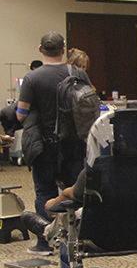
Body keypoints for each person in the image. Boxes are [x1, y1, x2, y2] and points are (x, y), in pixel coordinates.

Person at [15, 31, 91, 254]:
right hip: (74, 144)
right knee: (74, 191)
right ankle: (75, 241)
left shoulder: (32, 78)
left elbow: (20, 114)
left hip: (44, 145)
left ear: (41, 50)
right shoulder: (78, 73)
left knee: (44, 192)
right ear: (64, 49)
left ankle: (44, 241)